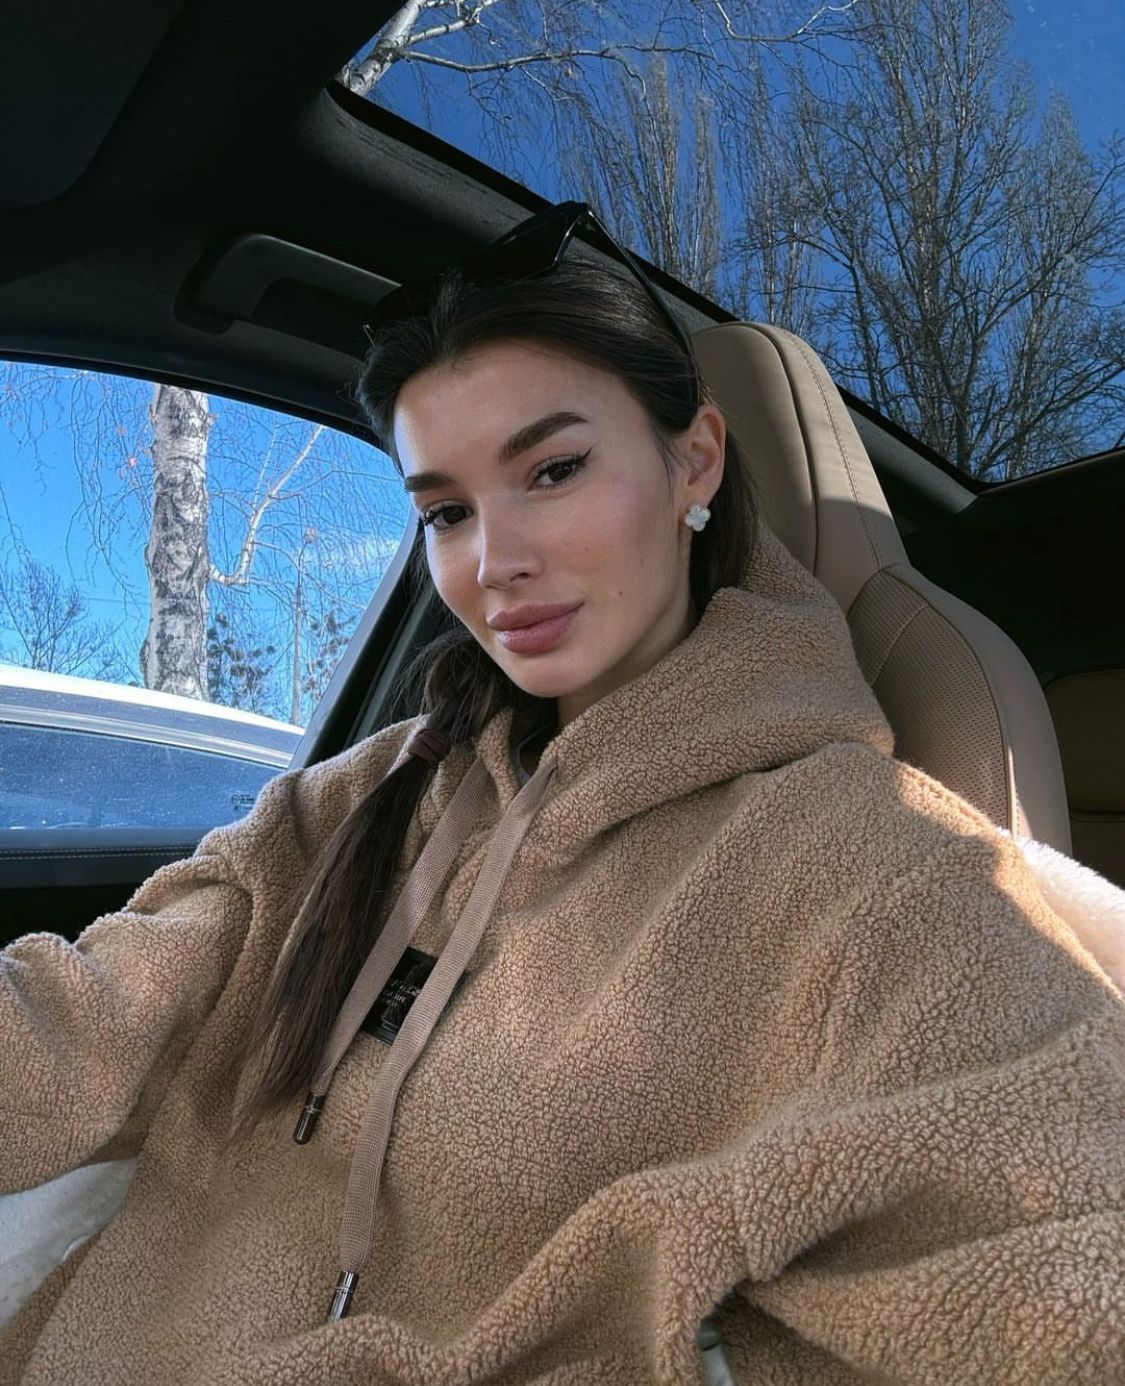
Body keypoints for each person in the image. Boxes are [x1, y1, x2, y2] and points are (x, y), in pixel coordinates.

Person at [1, 200, 1123, 1386]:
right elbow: (79, 1017)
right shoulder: (367, 798)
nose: (494, 562)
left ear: (694, 462)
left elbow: (1066, 1269)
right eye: (447, 512)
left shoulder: (870, 862)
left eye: (553, 470)